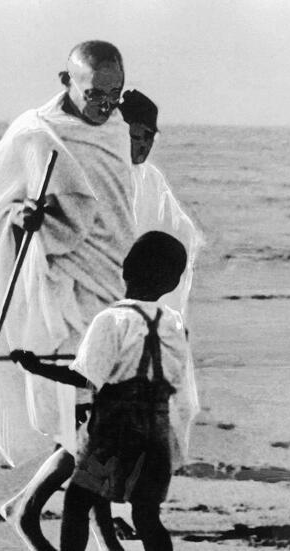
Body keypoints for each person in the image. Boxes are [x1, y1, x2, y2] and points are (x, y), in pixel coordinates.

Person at [0, 40, 164, 551]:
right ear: (65, 80)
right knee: (96, 417)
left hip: (114, 286)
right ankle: (41, 515)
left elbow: (120, 212)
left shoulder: (118, 129)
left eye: (115, 94)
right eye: (96, 94)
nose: (106, 106)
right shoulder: (35, 135)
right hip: (63, 291)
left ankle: (35, 510)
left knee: (101, 419)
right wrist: (21, 219)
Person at [12, 231, 199, 551]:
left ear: (125, 268)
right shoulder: (176, 323)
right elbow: (169, 376)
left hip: (113, 433)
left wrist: (33, 366)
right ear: (171, 284)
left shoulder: (111, 320)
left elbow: (84, 378)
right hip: (157, 431)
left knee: (77, 502)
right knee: (147, 515)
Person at [120, 89, 205, 316]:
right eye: (137, 137)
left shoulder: (151, 177)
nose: (144, 146)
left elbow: (184, 231)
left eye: (149, 138)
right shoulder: (105, 170)